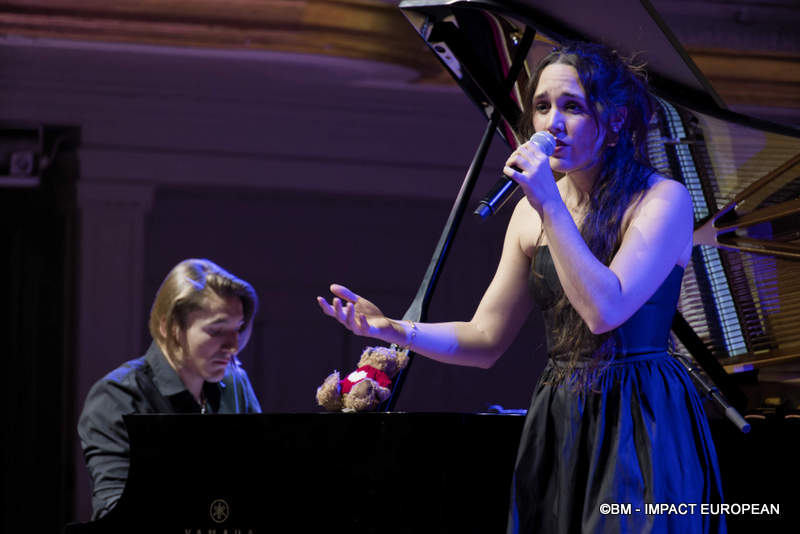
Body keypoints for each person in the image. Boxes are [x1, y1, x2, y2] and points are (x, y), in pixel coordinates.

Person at [317, 41, 725, 533]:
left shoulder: (661, 201)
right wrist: (394, 329)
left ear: (615, 120)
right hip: (561, 413)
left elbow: (604, 309)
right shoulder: (530, 213)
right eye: (542, 106)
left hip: (641, 414)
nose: (553, 123)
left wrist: (550, 204)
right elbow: (485, 339)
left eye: (573, 106)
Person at [78, 258, 262, 519]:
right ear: (170, 327)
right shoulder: (117, 396)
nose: (233, 346)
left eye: (238, 329)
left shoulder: (235, 382)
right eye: (217, 330)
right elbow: (114, 511)